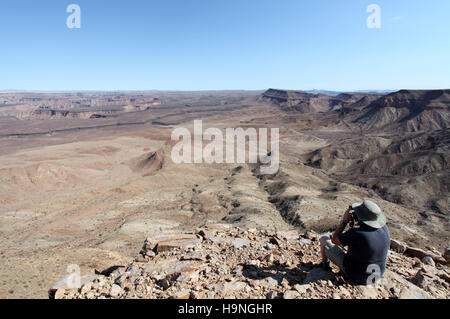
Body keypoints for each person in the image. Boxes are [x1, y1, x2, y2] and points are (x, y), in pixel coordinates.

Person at [319, 199, 391, 285]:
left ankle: (324, 266)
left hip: (358, 277)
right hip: (377, 275)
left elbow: (334, 239)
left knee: (324, 238)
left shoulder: (357, 233)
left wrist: (344, 221)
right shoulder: (384, 228)